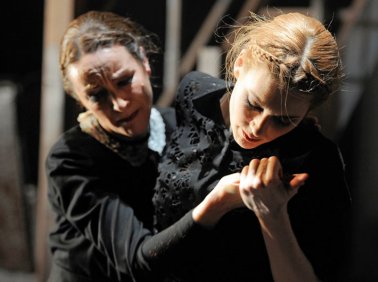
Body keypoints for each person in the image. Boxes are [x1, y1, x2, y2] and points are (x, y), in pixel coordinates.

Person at [46, 10, 262, 281]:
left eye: (124, 81)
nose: (119, 104)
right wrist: (217, 203)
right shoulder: (71, 158)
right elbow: (137, 260)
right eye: (96, 95)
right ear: (78, 98)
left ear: (145, 62)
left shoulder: (177, 125)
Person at [153, 12, 352, 282]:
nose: (258, 128)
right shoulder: (194, 92)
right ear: (240, 63)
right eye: (253, 104)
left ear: (307, 113)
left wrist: (272, 214)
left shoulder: (313, 161)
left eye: (284, 120)